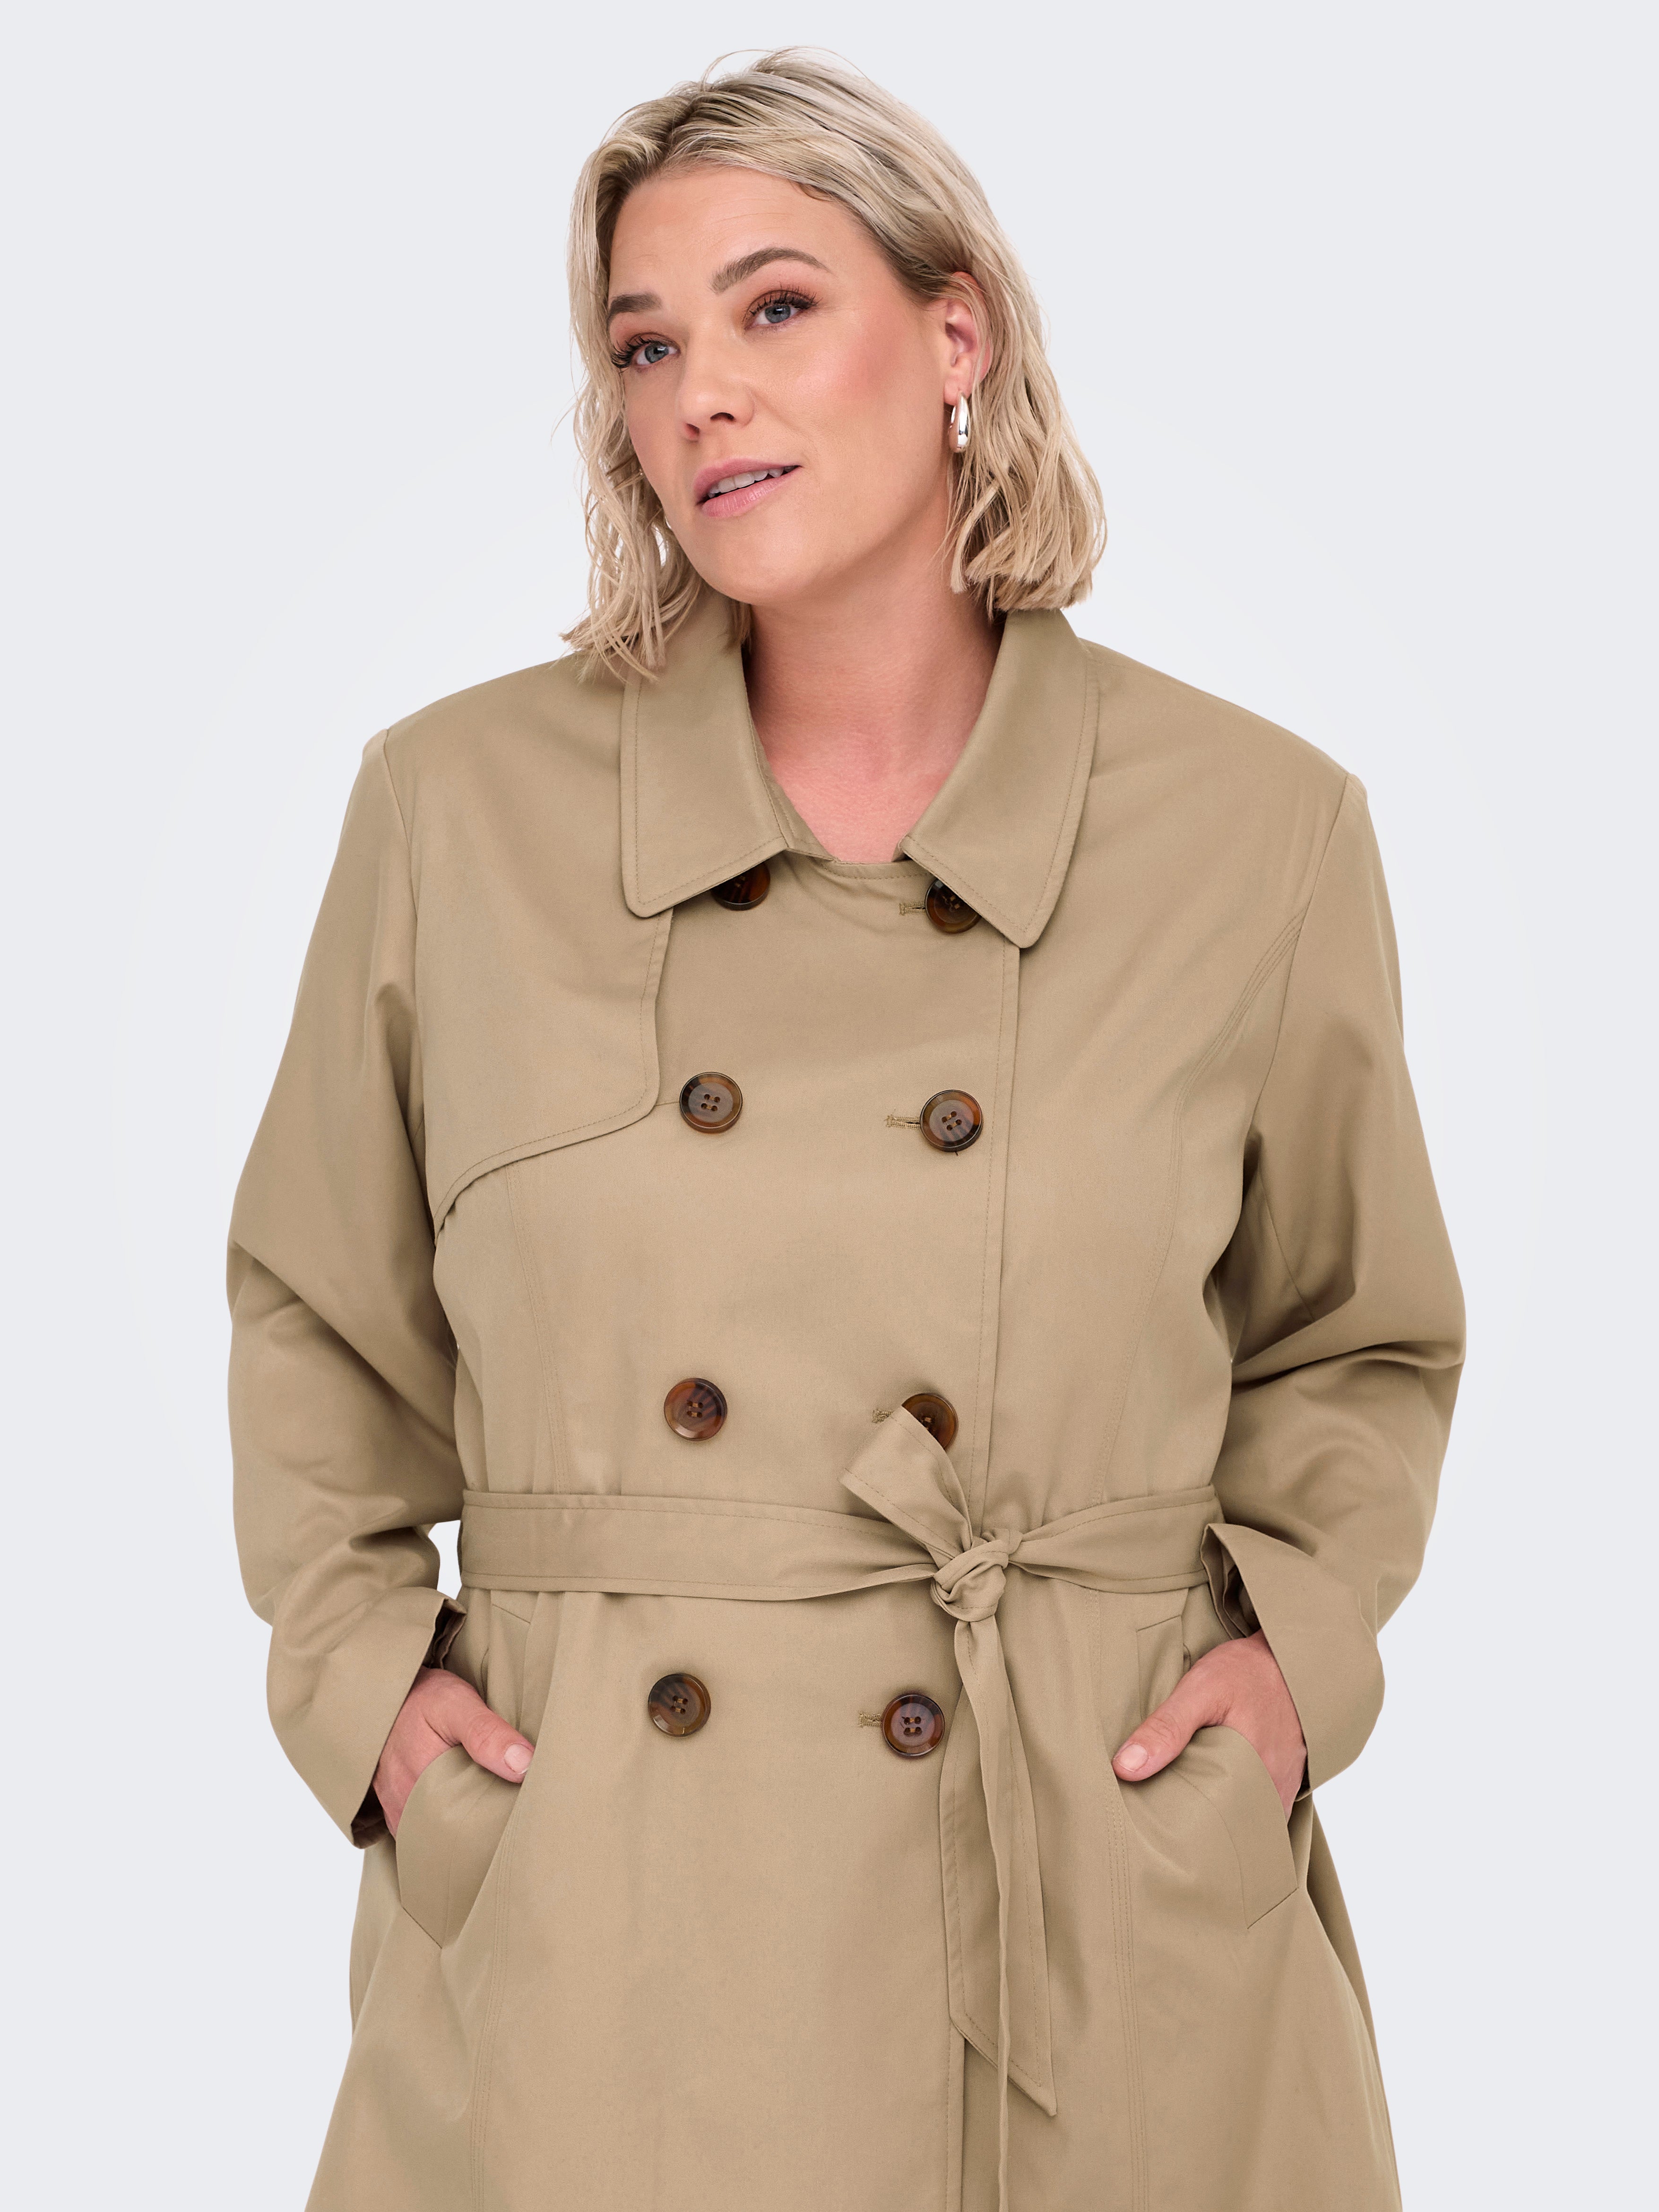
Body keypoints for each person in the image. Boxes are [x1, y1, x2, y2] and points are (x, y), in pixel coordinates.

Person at [228, 47, 1464, 2212]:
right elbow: (319, 1314)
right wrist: (367, 1701)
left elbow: (1355, 1338)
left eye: (776, 307)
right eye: (644, 346)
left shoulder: (1250, 835)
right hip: (598, 1927)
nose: (701, 391)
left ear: (954, 333)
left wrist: (1285, 1655)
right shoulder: (457, 813)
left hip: (1089, 1904)